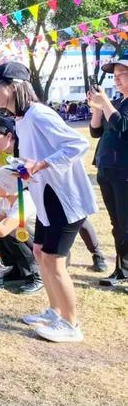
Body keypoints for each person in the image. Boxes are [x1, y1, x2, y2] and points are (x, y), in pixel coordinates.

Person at [0, 61, 97, 342]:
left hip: (63, 198)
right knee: (40, 253)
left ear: (13, 87)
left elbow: (78, 145)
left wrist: (40, 164)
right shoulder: (22, 119)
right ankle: (55, 312)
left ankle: (71, 325)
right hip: (45, 198)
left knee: (54, 261)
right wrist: (14, 171)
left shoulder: (39, 114)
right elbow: (32, 161)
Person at [0, 117, 107, 275]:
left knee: (77, 219)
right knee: (32, 226)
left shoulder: (27, 145)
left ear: (9, 136)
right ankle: (30, 265)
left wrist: (22, 173)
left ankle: (95, 254)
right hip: (27, 191)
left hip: (54, 188)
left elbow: (41, 167)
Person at [88, 55, 128, 289]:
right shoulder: (117, 101)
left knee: (126, 223)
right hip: (106, 168)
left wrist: (105, 104)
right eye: (115, 76)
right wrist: (96, 108)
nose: (117, 80)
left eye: (122, 74)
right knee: (117, 224)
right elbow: (95, 131)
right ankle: (122, 269)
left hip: (124, 170)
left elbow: (122, 125)